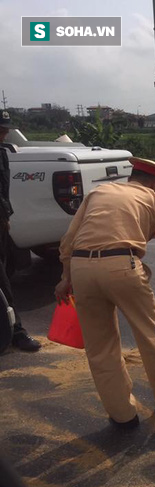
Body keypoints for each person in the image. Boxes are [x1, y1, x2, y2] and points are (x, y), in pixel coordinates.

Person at [54, 157, 155, 428]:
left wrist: (65, 277)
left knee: (100, 346)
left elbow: (70, 239)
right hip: (121, 266)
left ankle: (122, 415)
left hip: (81, 268)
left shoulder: (99, 191)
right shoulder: (151, 198)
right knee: (149, 335)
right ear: (154, 183)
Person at [0, 112, 41, 353]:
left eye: (5, 129)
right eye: (1, 129)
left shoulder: (2, 154)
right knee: (3, 281)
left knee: (3, 276)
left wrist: (5, 216)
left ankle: (14, 331)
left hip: (1, 223)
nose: (4, 133)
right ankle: (16, 331)